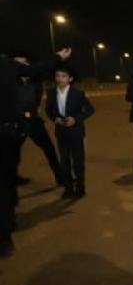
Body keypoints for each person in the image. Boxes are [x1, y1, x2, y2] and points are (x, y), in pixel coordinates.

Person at [0, 47, 71, 257]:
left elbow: (40, 71)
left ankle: (60, 176)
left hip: (20, 126)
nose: (21, 65)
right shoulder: (8, 67)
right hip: (10, 130)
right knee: (7, 179)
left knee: (45, 150)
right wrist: (58, 57)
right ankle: (6, 227)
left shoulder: (16, 70)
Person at [45, 64, 95, 199]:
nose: (59, 79)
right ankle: (68, 189)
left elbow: (90, 110)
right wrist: (55, 118)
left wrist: (76, 119)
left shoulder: (77, 94)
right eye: (57, 76)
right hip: (61, 132)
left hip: (76, 132)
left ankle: (80, 187)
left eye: (63, 76)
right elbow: (48, 110)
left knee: (78, 161)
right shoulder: (51, 93)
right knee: (64, 162)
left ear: (70, 79)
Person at [13, 52, 63, 186]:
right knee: (12, 152)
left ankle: (61, 178)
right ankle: (13, 177)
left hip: (33, 121)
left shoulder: (35, 81)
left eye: (22, 63)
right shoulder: (9, 81)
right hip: (16, 122)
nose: (18, 66)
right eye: (16, 63)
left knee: (49, 148)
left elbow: (47, 70)